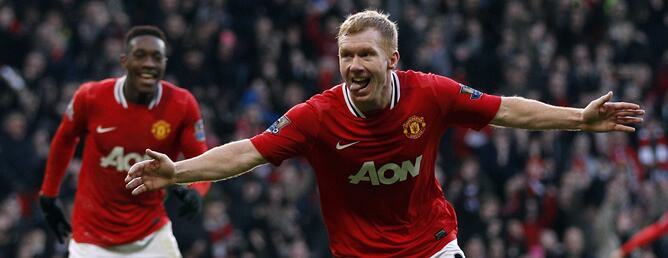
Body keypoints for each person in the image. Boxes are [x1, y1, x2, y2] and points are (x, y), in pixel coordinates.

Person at [125, 11, 644, 257]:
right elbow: (248, 153)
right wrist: (178, 172)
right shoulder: (316, 116)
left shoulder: (430, 93)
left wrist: (580, 118)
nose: (352, 65)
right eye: (345, 55)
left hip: (432, 246)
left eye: (364, 55)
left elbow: (506, 110)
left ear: (392, 60)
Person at [39, 25, 210, 258]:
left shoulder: (182, 105)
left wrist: (197, 191)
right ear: (124, 61)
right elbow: (64, 139)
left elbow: (200, 158)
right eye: (140, 55)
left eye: (156, 57)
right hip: (92, 238)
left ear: (164, 63)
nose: (149, 63)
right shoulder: (91, 97)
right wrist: (48, 194)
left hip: (151, 233)